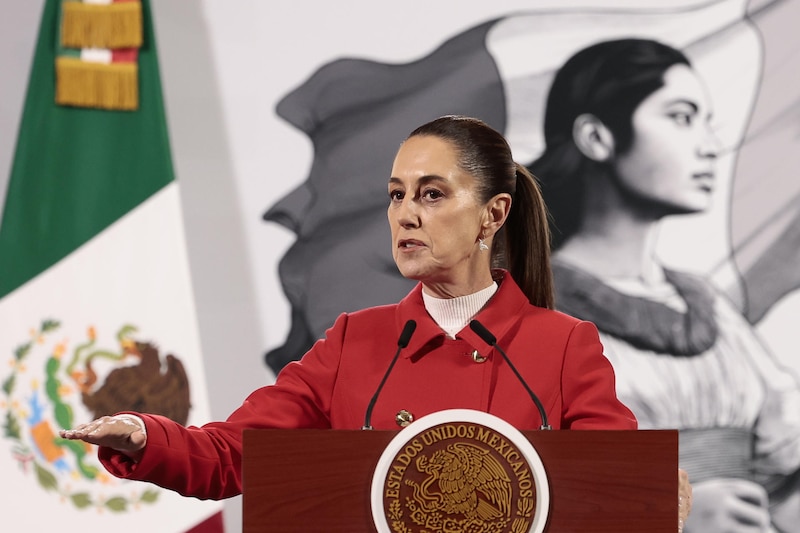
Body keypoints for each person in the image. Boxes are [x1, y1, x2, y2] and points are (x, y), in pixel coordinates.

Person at [60, 115, 691, 529]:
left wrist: (658, 497)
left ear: (493, 214)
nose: (406, 215)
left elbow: (615, 492)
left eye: (432, 194)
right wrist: (145, 436)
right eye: (397, 194)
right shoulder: (351, 341)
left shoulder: (563, 346)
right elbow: (236, 454)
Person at [530, 38, 800, 532]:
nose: (710, 146)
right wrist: (664, 508)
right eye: (681, 117)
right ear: (597, 137)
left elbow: (782, 468)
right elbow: (492, 484)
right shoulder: (525, 312)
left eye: (705, 121)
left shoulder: (708, 306)